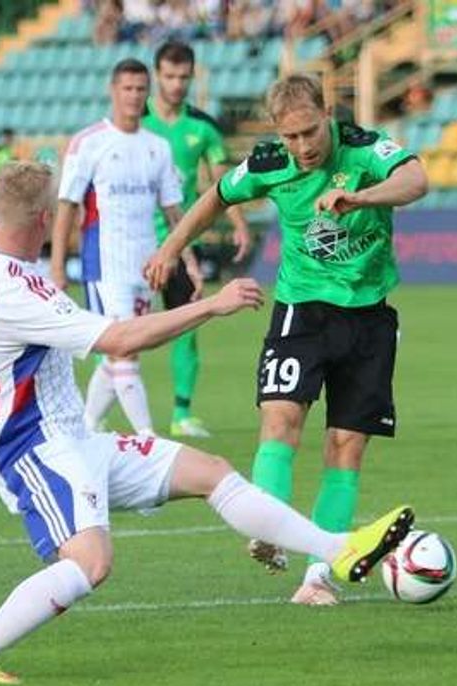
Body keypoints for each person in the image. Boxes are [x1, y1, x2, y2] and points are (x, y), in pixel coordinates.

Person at [0, 162, 414, 685]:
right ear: (47, 219)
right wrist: (211, 306)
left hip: (72, 436)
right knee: (91, 562)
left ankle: (339, 550)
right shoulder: (17, 292)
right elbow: (120, 341)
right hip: (31, 447)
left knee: (210, 471)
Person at [145, 73, 428, 606]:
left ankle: (317, 579)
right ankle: (269, 527)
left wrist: (360, 197)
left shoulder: (365, 149)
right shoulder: (269, 162)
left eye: (310, 132)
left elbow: (418, 181)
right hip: (301, 310)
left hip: (368, 318)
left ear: (327, 115)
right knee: (280, 420)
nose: (303, 146)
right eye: (291, 136)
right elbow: (213, 198)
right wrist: (170, 248)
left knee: (345, 448)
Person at [50, 58, 201, 437]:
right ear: (113, 91)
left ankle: (83, 427)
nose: (134, 96)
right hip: (103, 264)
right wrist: (56, 266)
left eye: (140, 88)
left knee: (121, 354)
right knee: (124, 351)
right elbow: (67, 205)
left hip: (146, 265)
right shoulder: (89, 143)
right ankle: (148, 438)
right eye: (127, 88)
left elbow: (173, 211)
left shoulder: (158, 148)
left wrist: (189, 261)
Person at [143, 41, 252, 438]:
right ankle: (99, 411)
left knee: (186, 323)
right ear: (157, 75)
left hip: (179, 242)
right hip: (133, 242)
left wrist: (239, 224)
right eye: (169, 76)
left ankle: (182, 413)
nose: (176, 85)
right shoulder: (134, 120)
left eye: (183, 77)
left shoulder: (203, 126)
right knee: (119, 328)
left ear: (192, 76)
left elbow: (225, 182)